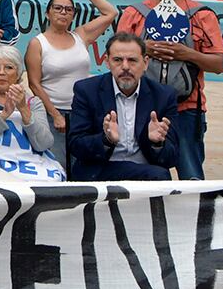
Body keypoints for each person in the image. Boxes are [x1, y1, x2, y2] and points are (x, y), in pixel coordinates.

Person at [114, 0, 223, 180]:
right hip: (140, 107)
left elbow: (217, 64)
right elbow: (115, 58)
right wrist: (143, 49)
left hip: (186, 110)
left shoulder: (202, 16)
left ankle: (197, 215)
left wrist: (186, 53)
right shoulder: (135, 13)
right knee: (142, 174)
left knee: (191, 175)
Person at [24, 0, 117, 170]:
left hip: (82, 112)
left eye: (68, 9)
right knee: (57, 166)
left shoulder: (81, 35)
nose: (63, 12)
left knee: (83, 165)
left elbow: (110, 12)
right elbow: (34, 83)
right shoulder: (37, 43)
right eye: (58, 8)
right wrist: (55, 114)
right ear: (48, 13)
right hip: (53, 113)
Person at [68, 33, 179, 181]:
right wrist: (106, 140)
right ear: (107, 62)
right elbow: (75, 145)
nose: (125, 67)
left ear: (145, 63)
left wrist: (156, 143)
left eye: (132, 60)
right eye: (118, 60)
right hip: (101, 169)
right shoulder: (87, 90)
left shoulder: (164, 96)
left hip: (146, 171)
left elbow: (172, 158)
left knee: (160, 175)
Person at [0, 45, 62, 181]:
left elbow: (44, 144)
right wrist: (3, 115)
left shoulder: (33, 103)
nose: (1, 72)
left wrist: (23, 109)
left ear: (18, 74)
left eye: (9, 67)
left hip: (28, 168)